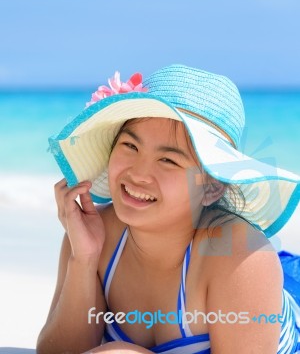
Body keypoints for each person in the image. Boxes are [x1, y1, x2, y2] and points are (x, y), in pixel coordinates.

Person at [37, 64, 300, 354]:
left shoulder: (241, 256)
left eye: (168, 161)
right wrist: (83, 260)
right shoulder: (96, 235)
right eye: (130, 146)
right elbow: (57, 351)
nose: (138, 174)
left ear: (211, 187)